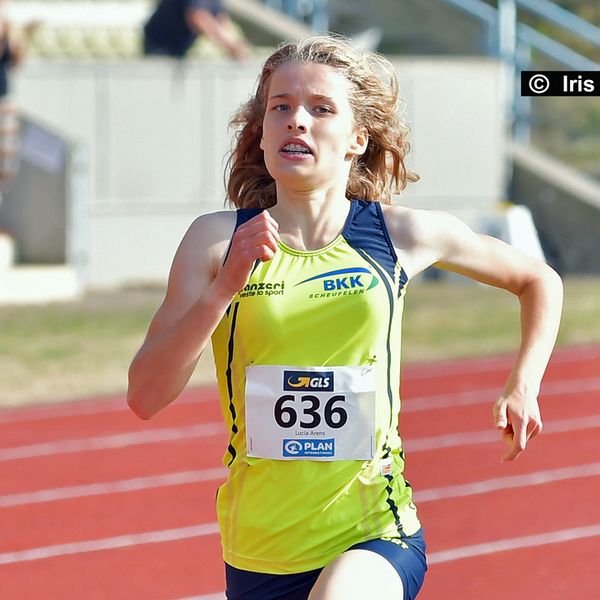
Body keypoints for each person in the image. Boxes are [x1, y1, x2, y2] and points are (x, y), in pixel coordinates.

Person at [127, 34, 563, 600]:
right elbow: (145, 395)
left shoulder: (398, 235)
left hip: (373, 532)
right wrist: (223, 291)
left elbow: (538, 280)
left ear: (357, 138)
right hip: (259, 548)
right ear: (261, 132)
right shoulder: (216, 242)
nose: (296, 121)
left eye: (321, 108)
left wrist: (523, 385)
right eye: (280, 107)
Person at [142, 0, 249, 61]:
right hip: (160, 45)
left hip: (177, 49)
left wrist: (234, 45)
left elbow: (221, 18)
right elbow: (197, 16)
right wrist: (230, 46)